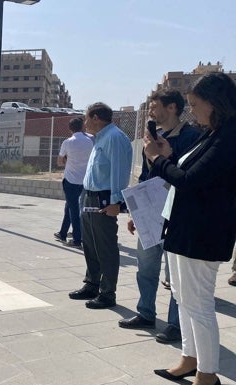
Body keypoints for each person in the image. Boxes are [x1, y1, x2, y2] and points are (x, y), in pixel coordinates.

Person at [144, 72, 236, 385]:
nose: (192, 110)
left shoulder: (229, 136)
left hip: (203, 233)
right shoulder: (213, 132)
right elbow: (189, 171)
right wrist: (169, 157)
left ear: (215, 102)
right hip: (185, 229)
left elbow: (190, 181)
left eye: (196, 104)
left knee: (199, 305)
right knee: (184, 300)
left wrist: (157, 160)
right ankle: (189, 358)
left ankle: (207, 375)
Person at [119, 89, 201, 344]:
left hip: (177, 211)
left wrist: (167, 156)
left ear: (173, 107)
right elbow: (146, 176)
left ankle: (176, 325)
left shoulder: (192, 137)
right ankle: (145, 312)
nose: (151, 111)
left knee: (175, 274)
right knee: (146, 266)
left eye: (155, 106)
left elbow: (189, 175)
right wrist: (136, 211)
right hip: (150, 210)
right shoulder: (151, 138)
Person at [68, 102, 132, 309]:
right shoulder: (100, 138)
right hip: (89, 196)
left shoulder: (115, 137)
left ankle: (107, 293)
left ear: (96, 118)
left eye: (86, 118)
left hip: (103, 198)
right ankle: (92, 284)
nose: (85, 123)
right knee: (90, 244)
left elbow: (119, 172)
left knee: (105, 247)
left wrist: (117, 202)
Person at [54, 117, 94, 249]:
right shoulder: (90, 141)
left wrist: (68, 160)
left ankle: (77, 239)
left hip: (70, 179)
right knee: (70, 207)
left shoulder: (68, 142)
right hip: (85, 180)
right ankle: (63, 232)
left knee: (74, 209)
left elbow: (60, 162)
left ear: (70, 129)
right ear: (82, 126)